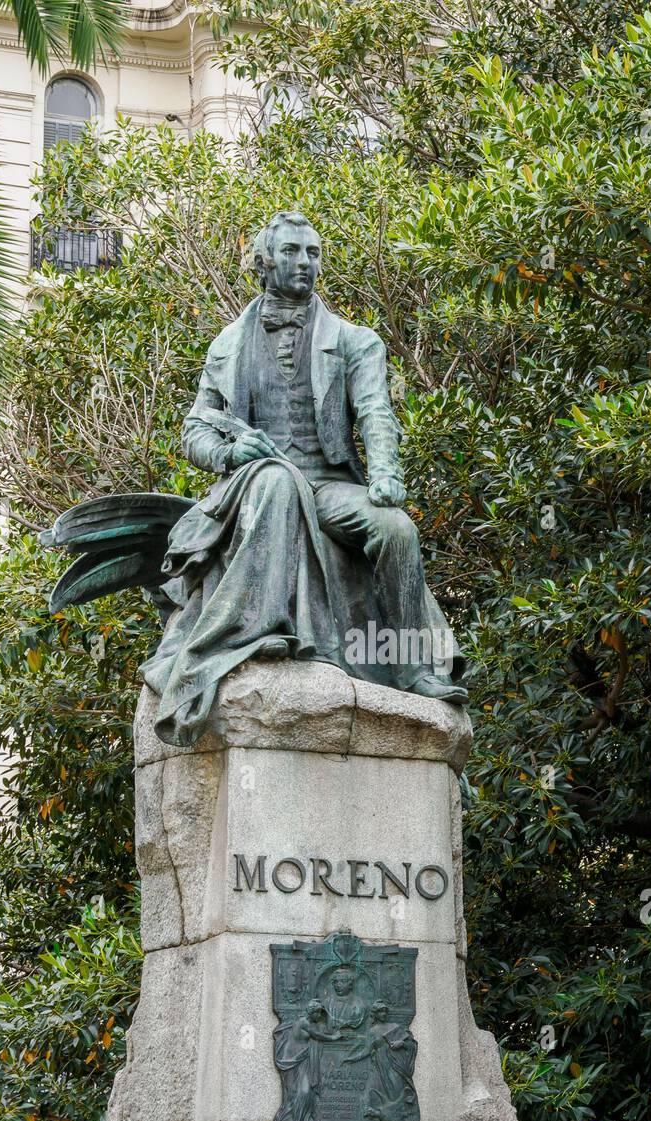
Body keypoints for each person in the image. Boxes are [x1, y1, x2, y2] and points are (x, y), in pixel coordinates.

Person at [139, 209, 467, 748]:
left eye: (313, 253)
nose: (305, 263)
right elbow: (195, 430)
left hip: (328, 483)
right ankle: (260, 629)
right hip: (254, 484)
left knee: (396, 529)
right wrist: (229, 453)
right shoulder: (227, 345)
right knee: (274, 481)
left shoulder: (354, 341)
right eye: (292, 252)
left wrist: (385, 472)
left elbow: (375, 412)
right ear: (264, 263)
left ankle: (411, 667)